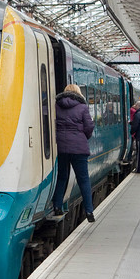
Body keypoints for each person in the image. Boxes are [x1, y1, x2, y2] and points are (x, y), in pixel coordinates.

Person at [52, 84, 95, 223]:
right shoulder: (82, 107)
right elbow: (89, 127)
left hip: (61, 147)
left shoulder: (56, 106)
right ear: (78, 93)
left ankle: (57, 206)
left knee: (61, 177)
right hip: (79, 148)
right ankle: (89, 211)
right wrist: (81, 138)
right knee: (83, 180)